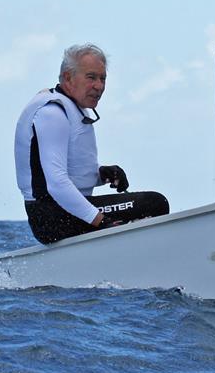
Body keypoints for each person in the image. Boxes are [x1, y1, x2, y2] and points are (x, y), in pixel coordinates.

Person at [14, 43, 169, 244]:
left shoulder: (71, 108)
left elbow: (69, 173)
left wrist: (101, 174)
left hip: (64, 211)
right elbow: (57, 183)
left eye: (102, 78)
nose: (99, 86)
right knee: (154, 203)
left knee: (150, 204)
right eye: (91, 77)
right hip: (51, 216)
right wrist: (101, 221)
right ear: (68, 78)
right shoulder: (53, 113)